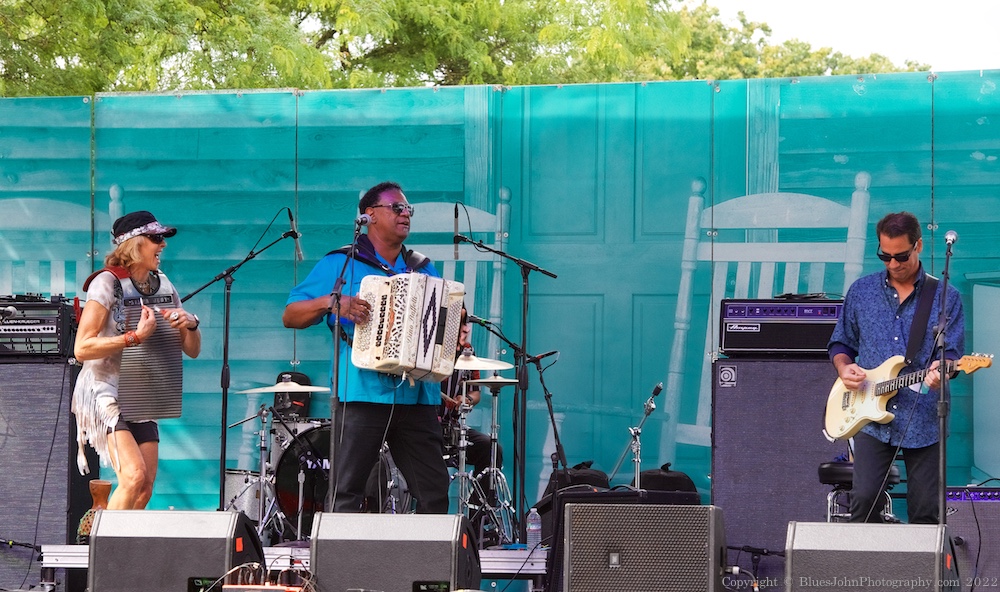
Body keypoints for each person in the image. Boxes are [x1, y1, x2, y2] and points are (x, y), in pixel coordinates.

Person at [282, 181, 450, 514]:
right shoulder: (341, 263)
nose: (406, 214)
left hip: (416, 396)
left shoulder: (422, 266)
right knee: (346, 490)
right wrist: (332, 303)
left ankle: (426, 565)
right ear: (370, 215)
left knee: (434, 491)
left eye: (408, 210)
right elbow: (291, 315)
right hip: (361, 392)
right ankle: (335, 565)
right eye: (397, 208)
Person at [828, 211, 964, 523]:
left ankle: (920, 574)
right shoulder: (861, 292)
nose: (892, 264)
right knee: (862, 501)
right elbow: (841, 343)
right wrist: (843, 366)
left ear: (917, 245)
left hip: (925, 415)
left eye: (900, 256)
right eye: (884, 256)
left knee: (925, 511)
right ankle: (868, 571)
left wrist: (939, 374)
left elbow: (951, 355)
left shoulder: (945, 297)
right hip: (870, 413)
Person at [73, 211, 202, 510]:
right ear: (133, 244)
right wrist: (134, 337)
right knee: (133, 476)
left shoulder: (164, 284)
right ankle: (101, 547)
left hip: (141, 390)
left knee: (144, 488)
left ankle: (113, 540)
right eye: (155, 238)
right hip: (103, 388)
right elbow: (82, 348)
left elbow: (193, 350)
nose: (163, 245)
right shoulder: (106, 283)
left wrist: (190, 325)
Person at [440, 308, 503, 483]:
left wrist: (466, 399)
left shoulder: (467, 351)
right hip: (424, 428)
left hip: (451, 427)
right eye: (460, 324)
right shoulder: (431, 350)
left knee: (490, 448)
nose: (466, 329)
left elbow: (475, 392)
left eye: (466, 323)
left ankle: (479, 509)